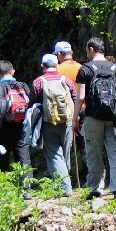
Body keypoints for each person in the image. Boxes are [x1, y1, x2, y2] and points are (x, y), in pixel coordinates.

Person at [75, 37, 116, 199]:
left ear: (91, 49)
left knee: (94, 152)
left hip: (92, 117)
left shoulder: (85, 69)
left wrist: (74, 118)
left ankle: (97, 189)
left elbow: (81, 96)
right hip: (113, 117)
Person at [32, 54, 76, 196]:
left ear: (42, 66)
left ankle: (65, 188)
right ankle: (67, 183)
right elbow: (75, 97)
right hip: (67, 121)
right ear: (57, 65)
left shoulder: (39, 81)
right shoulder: (66, 80)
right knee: (65, 153)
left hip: (48, 122)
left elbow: (33, 102)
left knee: (54, 155)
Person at [0, 60, 32, 174]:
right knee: (23, 156)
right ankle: (26, 187)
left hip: (3, 127)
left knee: (2, 156)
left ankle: (5, 186)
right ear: (13, 72)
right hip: (21, 125)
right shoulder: (23, 86)